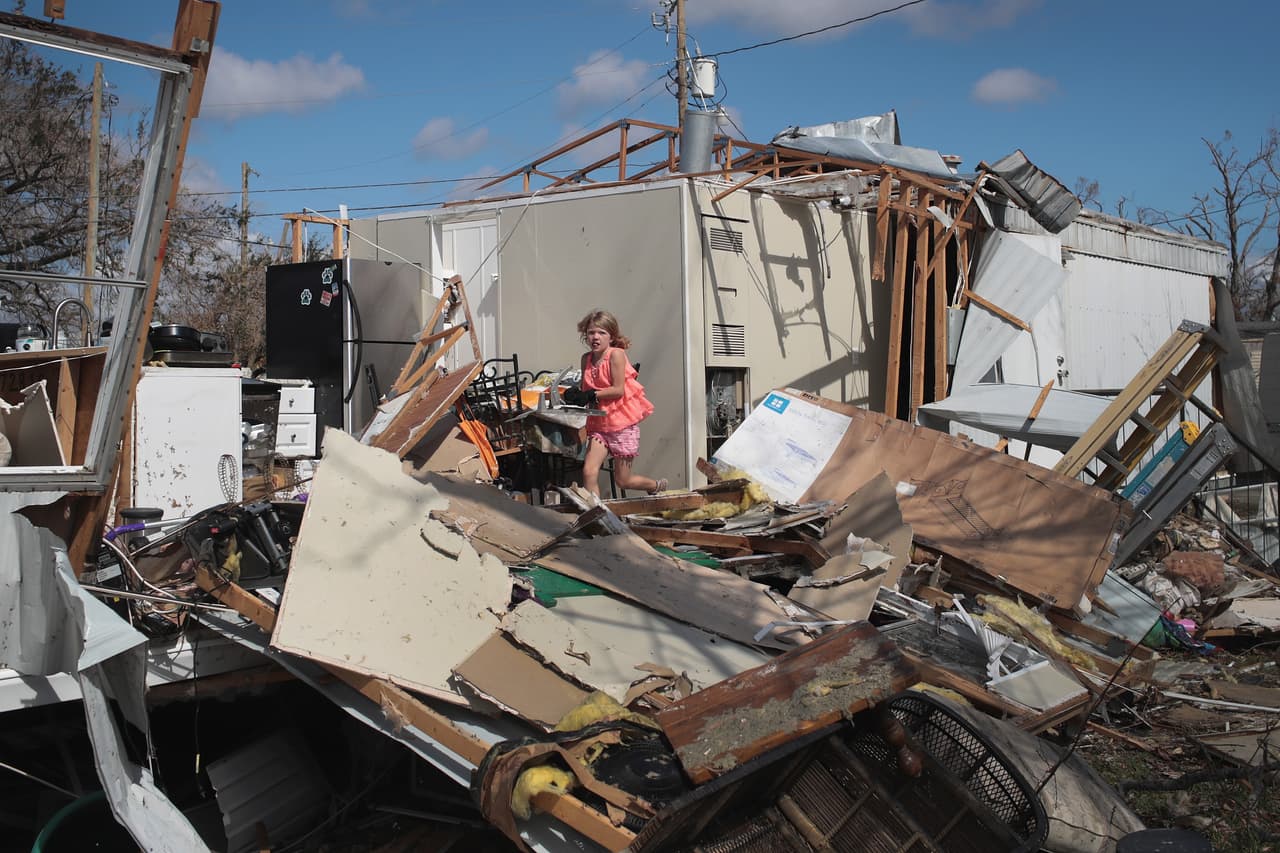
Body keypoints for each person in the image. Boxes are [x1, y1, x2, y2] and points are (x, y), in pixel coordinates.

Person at [573, 309, 666, 497]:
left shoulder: (616, 355)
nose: (595, 337)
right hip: (599, 425)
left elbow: (618, 390)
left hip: (621, 424)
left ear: (611, 336)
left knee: (623, 480)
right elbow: (587, 390)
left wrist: (591, 395)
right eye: (591, 332)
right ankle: (597, 515)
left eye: (601, 333)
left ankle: (655, 486)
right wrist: (576, 394)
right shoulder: (586, 359)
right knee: (589, 472)